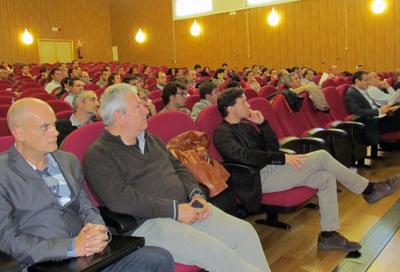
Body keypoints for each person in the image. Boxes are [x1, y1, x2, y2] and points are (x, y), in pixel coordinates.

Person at [82, 84, 269, 272]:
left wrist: (196, 195)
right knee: (216, 252)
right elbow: (121, 200)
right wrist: (175, 211)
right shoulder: (99, 154)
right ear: (119, 117)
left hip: (186, 208)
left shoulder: (151, 139)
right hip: (149, 222)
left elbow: (179, 168)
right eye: (138, 106)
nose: (147, 110)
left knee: (244, 232)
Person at [213, 87, 400, 253]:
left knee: (325, 178)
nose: (248, 104)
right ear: (230, 108)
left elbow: (272, 148)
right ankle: (369, 190)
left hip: (272, 169)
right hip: (256, 179)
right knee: (321, 157)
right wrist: (283, 158)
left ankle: (328, 236)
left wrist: (263, 124)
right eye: (243, 101)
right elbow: (244, 157)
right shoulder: (222, 133)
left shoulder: (246, 125)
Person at [0, 98, 175, 272]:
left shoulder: (68, 161)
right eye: (44, 127)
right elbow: (8, 241)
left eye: (54, 125)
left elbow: (87, 208)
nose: (55, 132)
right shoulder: (4, 173)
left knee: (158, 258)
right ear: (19, 133)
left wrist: (97, 230)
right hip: (43, 262)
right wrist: (71, 247)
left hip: (89, 255)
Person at [345, 71, 400, 145]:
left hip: (379, 117)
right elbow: (356, 111)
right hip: (373, 122)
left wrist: (388, 109)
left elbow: (372, 105)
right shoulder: (351, 93)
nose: (368, 82)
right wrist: (379, 111)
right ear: (357, 81)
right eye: (366, 80)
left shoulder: (363, 90)